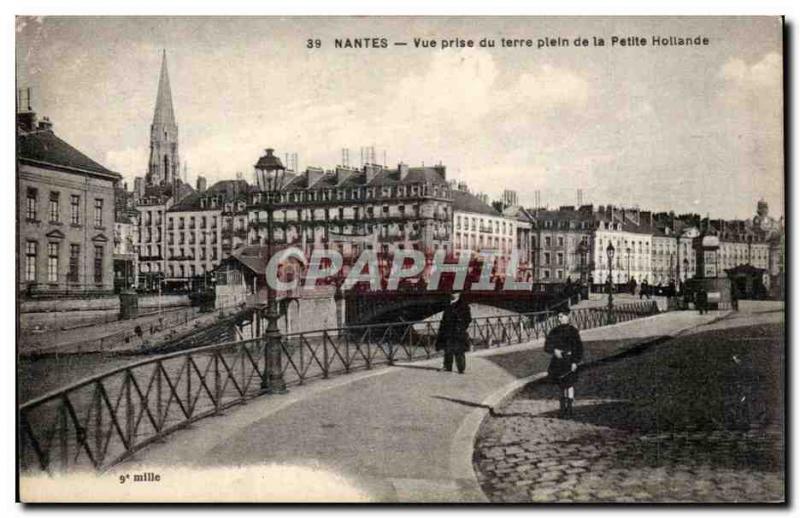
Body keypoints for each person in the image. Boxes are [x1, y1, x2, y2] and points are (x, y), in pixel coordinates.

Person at [545, 309, 584, 418]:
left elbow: (578, 348)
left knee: (570, 384)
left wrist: (575, 362)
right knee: (561, 385)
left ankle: (570, 408)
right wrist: (554, 350)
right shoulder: (554, 331)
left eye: (561, 316)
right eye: (558, 316)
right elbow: (547, 346)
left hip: (570, 360)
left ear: (568, 317)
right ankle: (562, 409)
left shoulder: (573, 331)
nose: (559, 319)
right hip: (558, 361)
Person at [436, 292, 472, 374]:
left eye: (455, 293)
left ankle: (461, 368)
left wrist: (461, 327)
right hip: (448, 331)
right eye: (452, 293)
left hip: (458, 332)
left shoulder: (463, 305)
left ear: (458, 294)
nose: (452, 295)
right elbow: (444, 319)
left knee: (459, 350)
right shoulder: (448, 305)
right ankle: (448, 367)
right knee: (448, 349)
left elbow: (468, 319)